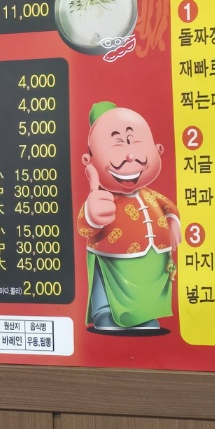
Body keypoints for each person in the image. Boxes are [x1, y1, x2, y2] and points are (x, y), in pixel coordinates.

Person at [77, 100, 181, 333]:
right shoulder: (102, 198)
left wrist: (173, 221)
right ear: (88, 161)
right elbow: (85, 226)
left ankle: (144, 316)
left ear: (158, 150)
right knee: (106, 281)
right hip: (111, 255)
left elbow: (168, 207)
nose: (130, 156)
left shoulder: (152, 196)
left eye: (134, 141)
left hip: (153, 256)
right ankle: (104, 311)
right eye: (117, 144)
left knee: (150, 287)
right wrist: (92, 214)